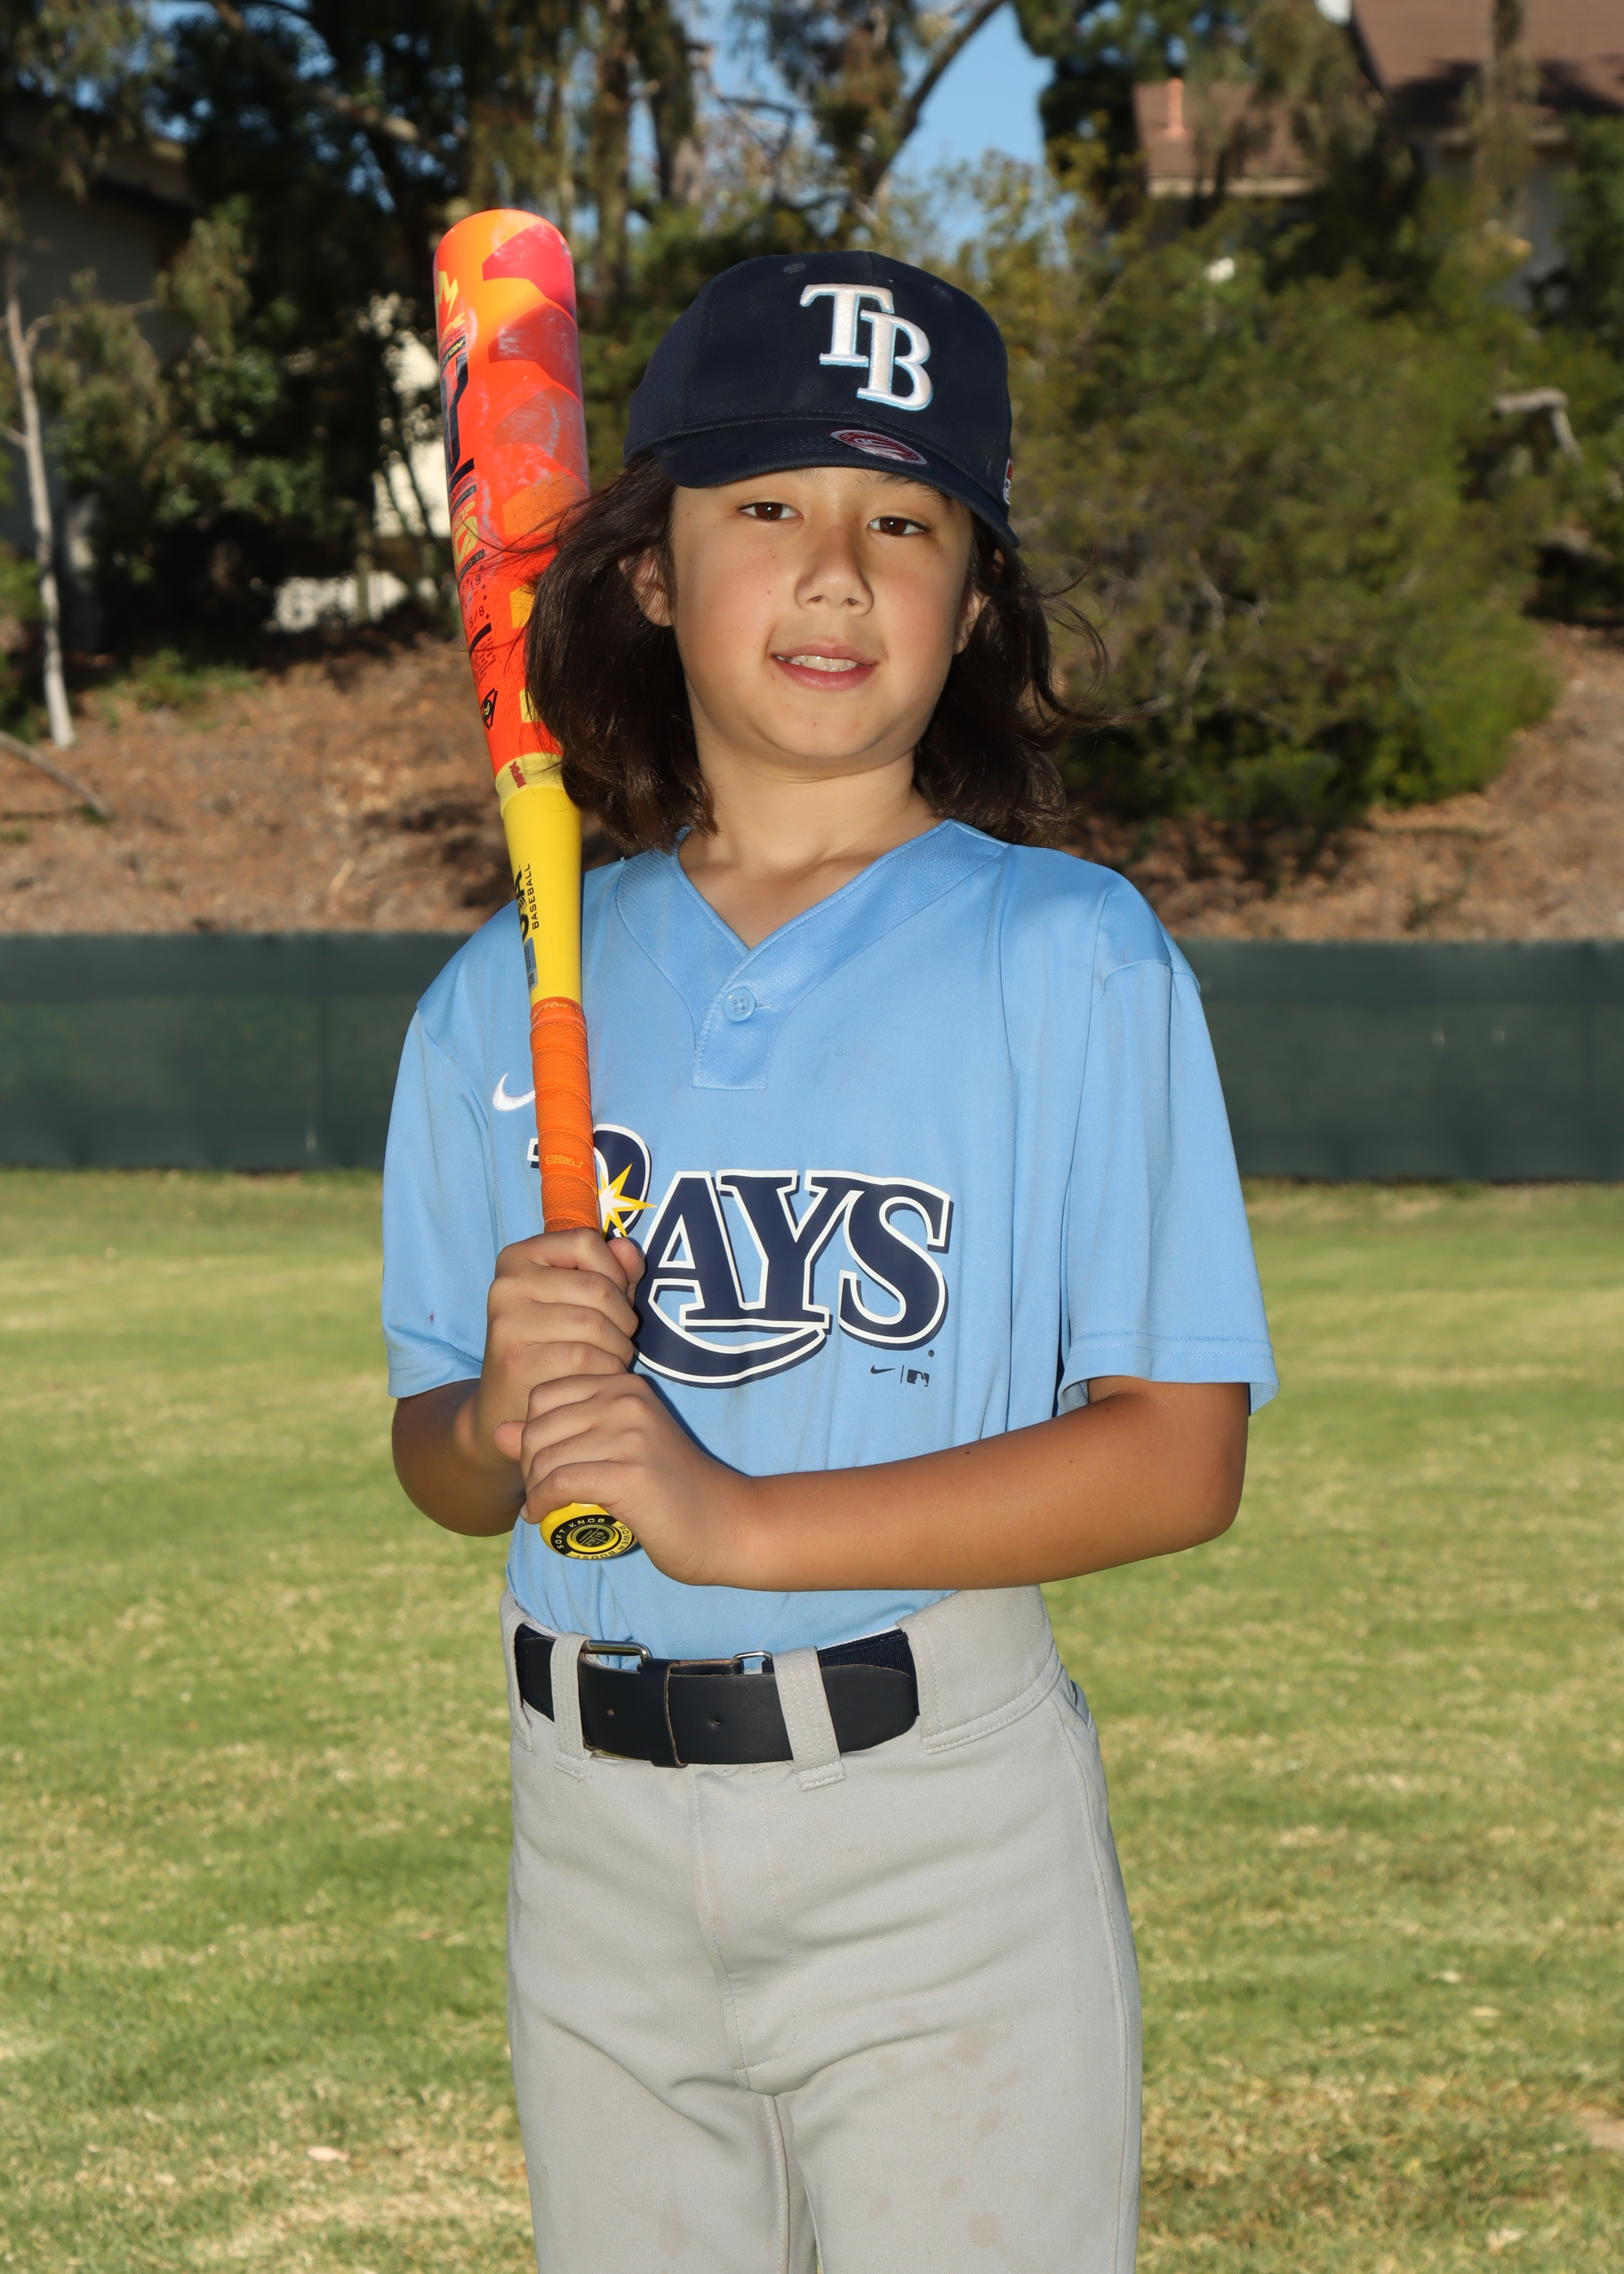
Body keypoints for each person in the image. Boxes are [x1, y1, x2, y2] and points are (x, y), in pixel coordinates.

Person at [382, 249, 1276, 2274]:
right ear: (644, 570)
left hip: (932, 1829)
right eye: (769, 504)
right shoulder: (497, 993)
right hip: (586, 1836)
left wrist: (738, 1521)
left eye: (905, 523)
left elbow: (1176, 1454)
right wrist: (498, 1413)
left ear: (972, 601)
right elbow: (438, 1461)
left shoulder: (1067, 951)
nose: (836, 574)